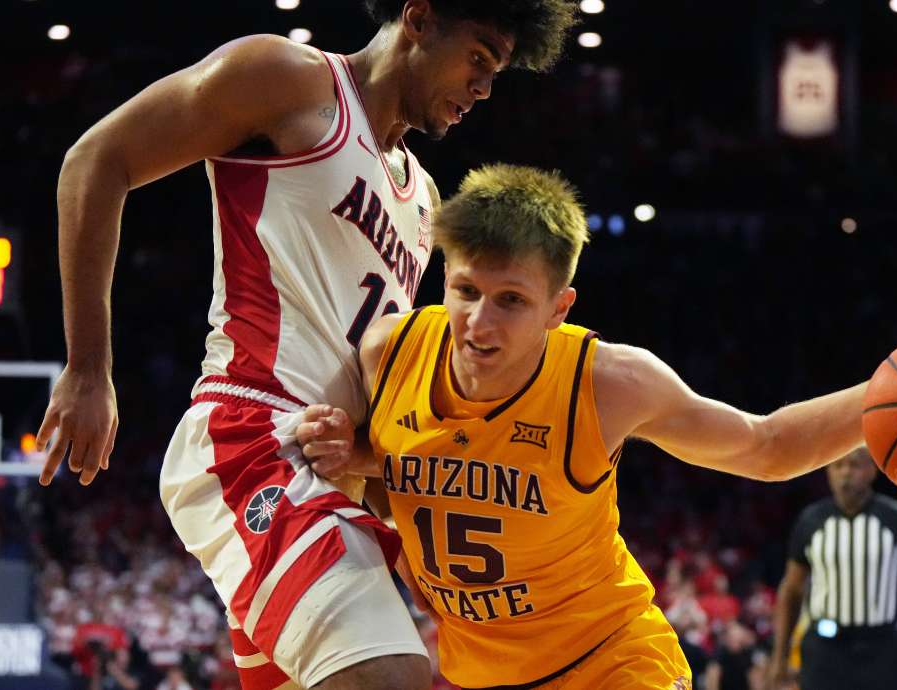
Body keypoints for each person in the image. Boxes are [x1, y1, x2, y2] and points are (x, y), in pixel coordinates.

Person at [295, 163, 897, 689]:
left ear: (561, 308)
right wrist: (346, 449)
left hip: (614, 664)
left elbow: (766, 445)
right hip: (471, 670)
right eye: (465, 291)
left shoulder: (608, 382)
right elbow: (395, 477)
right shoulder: (390, 353)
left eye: (512, 301)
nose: (478, 323)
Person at [35, 2, 578, 688]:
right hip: (254, 433)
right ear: (418, 19)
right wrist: (88, 366)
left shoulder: (426, 201)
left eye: (496, 73)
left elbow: (380, 384)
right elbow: (97, 159)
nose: (484, 88)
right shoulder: (286, 79)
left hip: (332, 473)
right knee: (393, 677)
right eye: (478, 57)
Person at [766, 447, 897, 690]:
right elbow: (791, 590)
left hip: (884, 648)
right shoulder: (810, 520)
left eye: (854, 465)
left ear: (872, 470)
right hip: (825, 649)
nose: (845, 473)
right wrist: (779, 656)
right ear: (827, 472)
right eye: (837, 466)